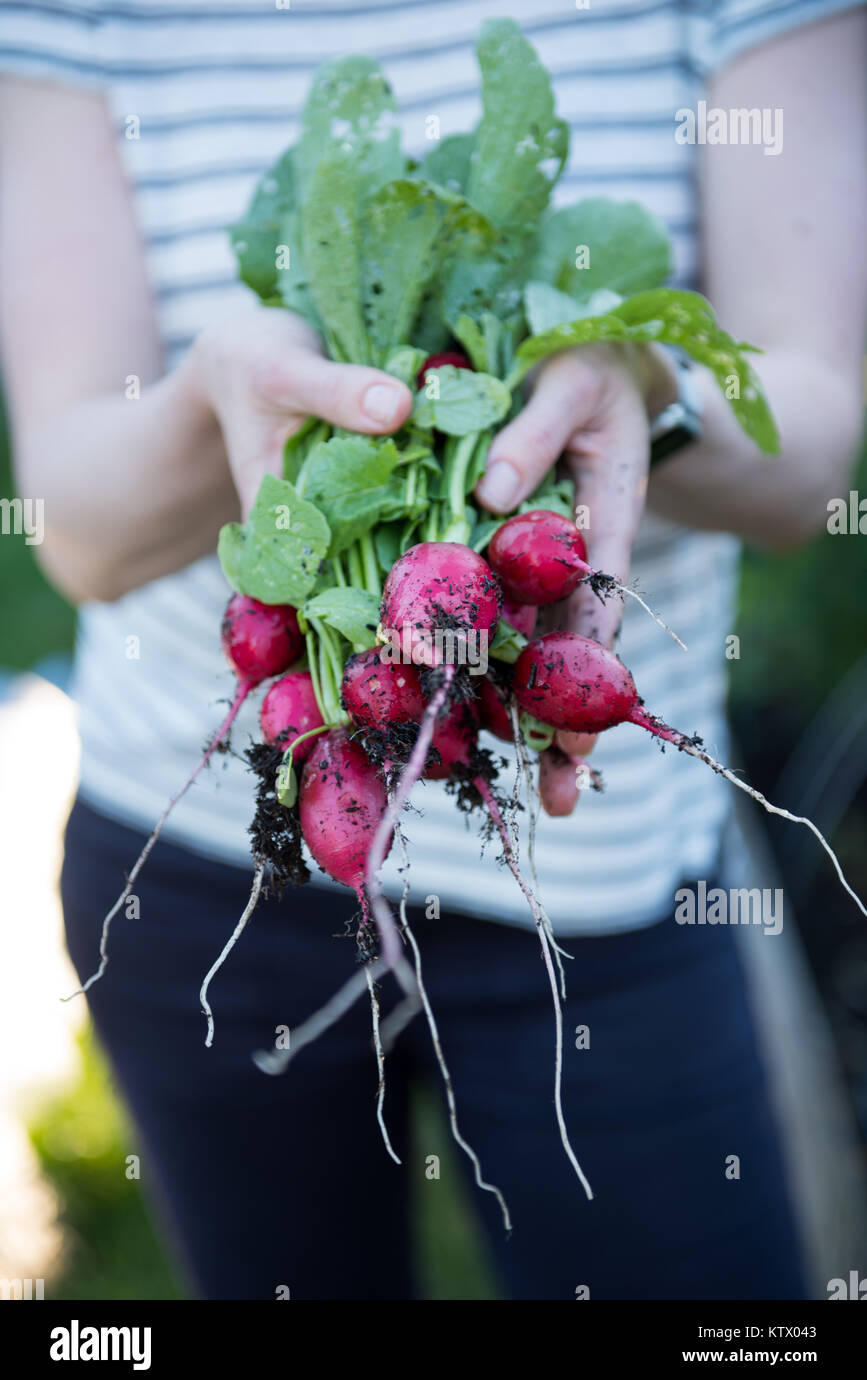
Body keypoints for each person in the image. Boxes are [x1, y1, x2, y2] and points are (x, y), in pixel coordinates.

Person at [1, 0, 864, 1301]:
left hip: (609, 893)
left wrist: (644, 379)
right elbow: (73, 527)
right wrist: (205, 399)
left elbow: (810, 462)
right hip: (211, 868)